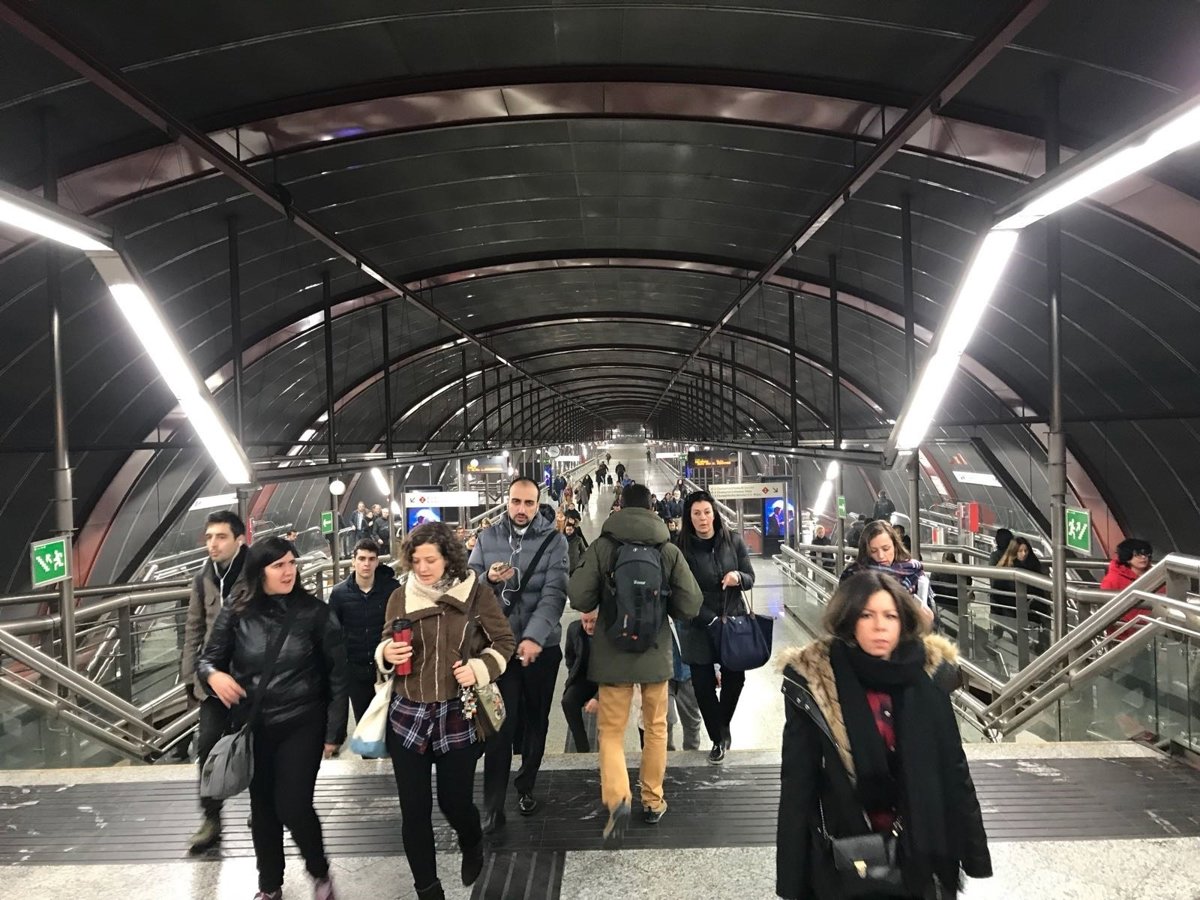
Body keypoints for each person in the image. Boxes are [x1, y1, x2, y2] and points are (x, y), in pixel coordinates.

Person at [776, 572, 991, 899]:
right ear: (849, 620)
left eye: (890, 616)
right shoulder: (816, 683)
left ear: (903, 621)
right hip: (849, 851)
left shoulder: (929, 675)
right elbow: (797, 784)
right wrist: (792, 879)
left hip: (925, 847)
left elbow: (954, 768)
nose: (880, 626)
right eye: (867, 615)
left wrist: (975, 853)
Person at [197, 537, 349, 900]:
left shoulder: (315, 613)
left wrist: (334, 731)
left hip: (303, 720)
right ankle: (269, 885)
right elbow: (208, 659)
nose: (288, 571)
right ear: (259, 571)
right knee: (263, 809)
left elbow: (338, 674)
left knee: (293, 805)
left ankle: (319, 872)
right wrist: (214, 676)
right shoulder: (237, 610)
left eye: (292, 564)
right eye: (278, 565)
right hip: (254, 725)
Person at [376, 522, 515, 900]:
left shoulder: (476, 594)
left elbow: (504, 641)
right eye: (416, 560)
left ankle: (472, 841)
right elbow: (386, 640)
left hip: (457, 715)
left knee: (455, 802)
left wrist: (479, 668)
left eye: (430, 560)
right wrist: (386, 653)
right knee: (414, 811)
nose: (422, 568)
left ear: (448, 558)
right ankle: (428, 889)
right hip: (408, 716)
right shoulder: (400, 597)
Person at [568, 482, 703, 847]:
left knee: (611, 732)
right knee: (656, 728)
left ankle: (618, 798)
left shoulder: (603, 547)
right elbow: (691, 603)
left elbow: (579, 596)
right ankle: (653, 800)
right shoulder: (667, 549)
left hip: (613, 653)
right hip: (654, 653)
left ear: (619, 507)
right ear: (652, 509)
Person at [468, 477, 569, 831]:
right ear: (506, 502)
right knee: (499, 724)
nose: (521, 509)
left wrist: (533, 638)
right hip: (500, 650)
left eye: (528, 503)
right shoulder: (487, 538)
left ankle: (526, 783)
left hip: (542, 648)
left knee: (536, 720)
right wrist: (490, 580)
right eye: (515, 502)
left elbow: (554, 595)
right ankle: (493, 805)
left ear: (538, 504)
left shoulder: (555, 541)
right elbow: (469, 586)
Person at [181, 510, 248, 852]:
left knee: (261, 746)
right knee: (207, 747)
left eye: (221, 537)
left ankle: (264, 808)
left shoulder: (257, 573)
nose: (213, 544)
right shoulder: (202, 579)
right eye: (209, 537)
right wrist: (190, 678)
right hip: (213, 683)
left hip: (252, 679)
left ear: (240, 539)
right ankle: (211, 818)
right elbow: (193, 629)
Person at [675, 489, 755, 764]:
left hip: (731, 621)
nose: (702, 518)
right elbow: (682, 591)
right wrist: (707, 617)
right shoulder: (681, 549)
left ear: (714, 514)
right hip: (698, 625)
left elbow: (750, 577)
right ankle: (717, 739)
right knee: (703, 685)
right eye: (696, 513)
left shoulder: (733, 541)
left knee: (736, 678)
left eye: (707, 512)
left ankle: (722, 724)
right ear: (689, 517)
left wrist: (738, 577)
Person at [328, 539, 399, 733]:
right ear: (353, 561)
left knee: (392, 723)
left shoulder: (391, 589)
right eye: (361, 559)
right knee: (365, 725)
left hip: (387, 668)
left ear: (377, 562)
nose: (366, 564)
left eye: (371, 559)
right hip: (355, 669)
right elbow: (332, 632)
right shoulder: (339, 594)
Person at [840, 520, 929, 610]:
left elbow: (930, 610)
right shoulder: (852, 575)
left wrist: (928, 616)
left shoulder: (914, 571)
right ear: (865, 551)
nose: (881, 556)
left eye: (886, 549)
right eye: (873, 551)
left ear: (895, 546)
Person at [561, 610, 599, 752]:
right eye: (585, 621)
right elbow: (570, 657)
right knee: (568, 701)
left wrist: (597, 698)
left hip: (607, 679)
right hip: (584, 677)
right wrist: (573, 676)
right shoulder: (574, 629)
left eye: (593, 621)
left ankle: (609, 746)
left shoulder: (610, 632)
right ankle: (582, 747)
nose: (589, 626)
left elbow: (617, 670)